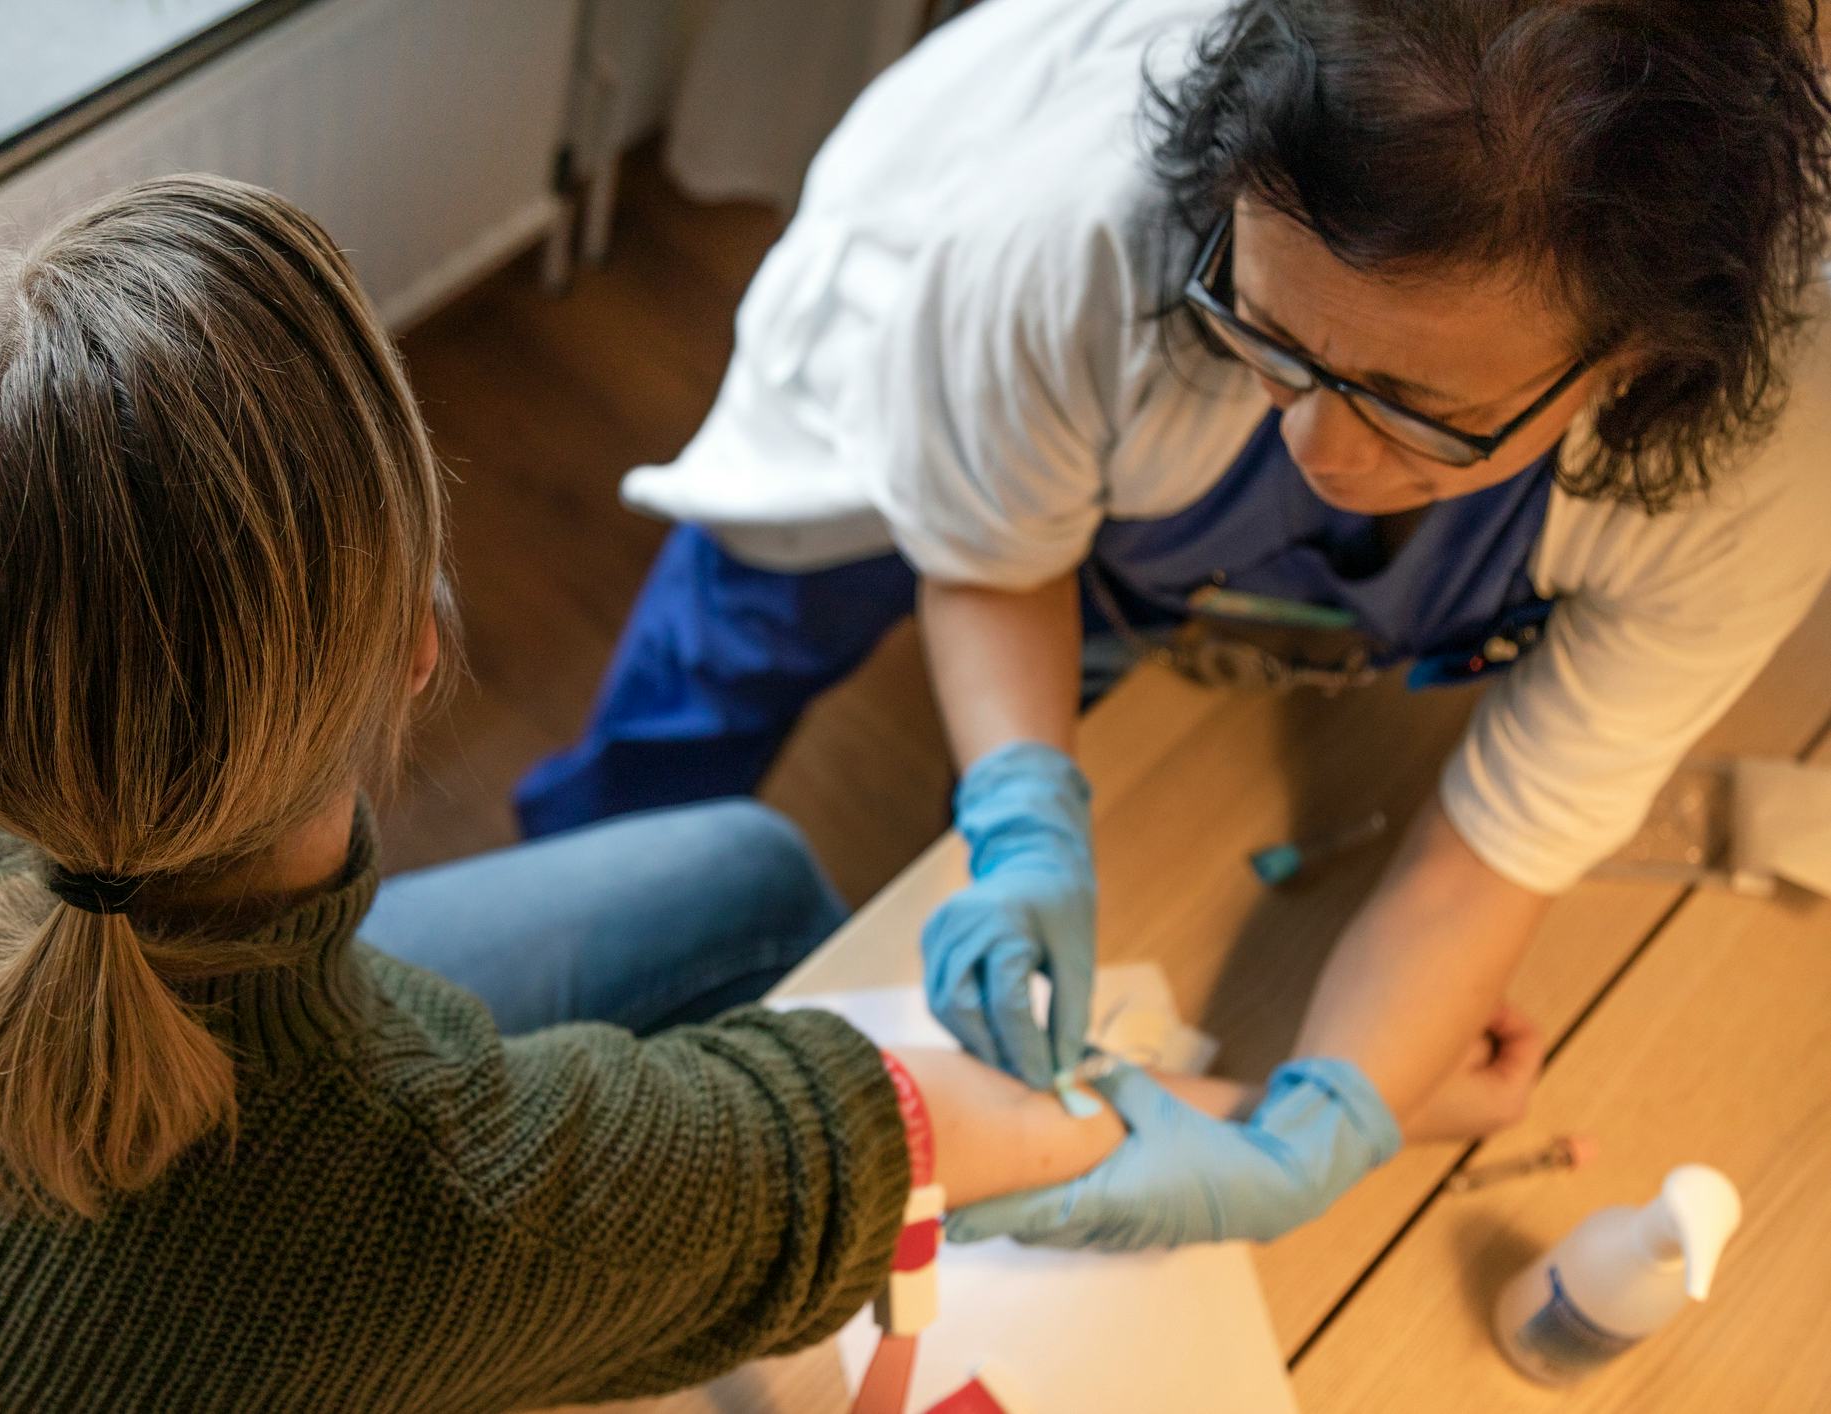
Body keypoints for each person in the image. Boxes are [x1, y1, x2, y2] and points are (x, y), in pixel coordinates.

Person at [0, 175, 1392, 1413]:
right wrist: (1236, 1122)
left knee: (741, 873)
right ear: (418, 654)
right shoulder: (427, 1202)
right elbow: (838, 1140)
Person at [517, 0, 1831, 1243]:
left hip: (1138, 426)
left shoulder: (1773, 451)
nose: (1321, 447)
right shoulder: (1067, 236)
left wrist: (1322, 1129)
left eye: (1417, 407)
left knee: (1072, 681)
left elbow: (1504, 838)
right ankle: (575, 881)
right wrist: (1026, 817)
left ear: (1631, 362)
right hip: (935, 334)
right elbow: (989, 560)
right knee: (740, 634)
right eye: (1264, 332)